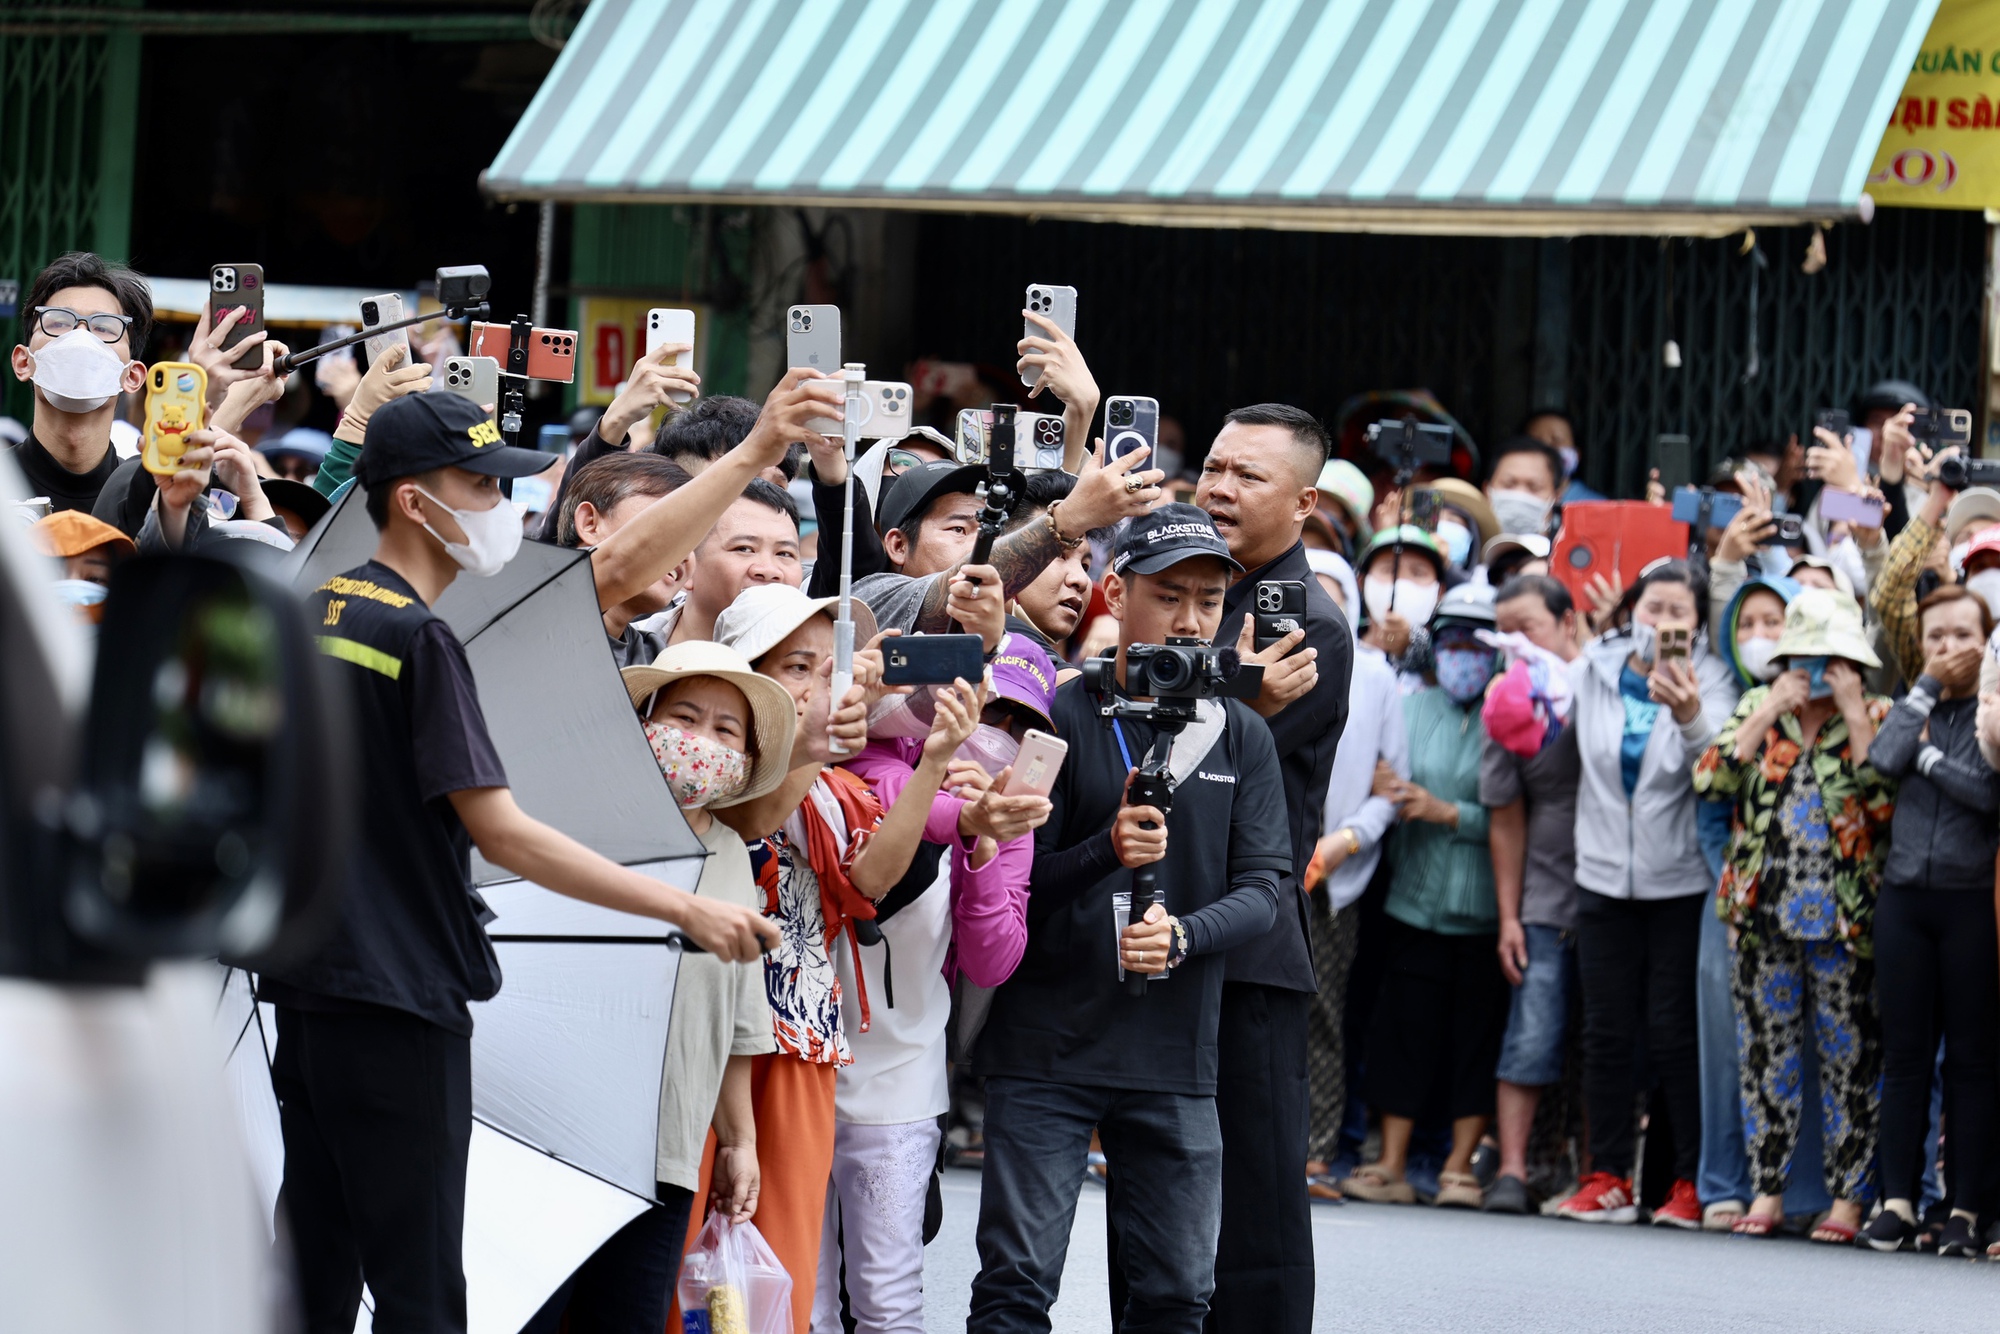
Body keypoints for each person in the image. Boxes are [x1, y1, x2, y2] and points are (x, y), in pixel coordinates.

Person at [260, 393, 777, 1334]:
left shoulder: (318, 608)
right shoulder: (418, 639)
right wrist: (685, 908)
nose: (503, 508)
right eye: (481, 487)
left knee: (315, 1270)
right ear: (414, 502)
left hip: (305, 988)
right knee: (422, 1291)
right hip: (398, 998)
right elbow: (503, 834)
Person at [967, 505, 1290, 1334]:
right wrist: (1106, 850)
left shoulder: (1242, 733)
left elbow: (1265, 888)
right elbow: (1013, 881)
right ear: (1117, 592)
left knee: (1178, 1295)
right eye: (1168, 595)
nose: (1190, 620)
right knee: (1015, 1286)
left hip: (1176, 1054)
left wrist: (1183, 936)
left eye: (1209, 600)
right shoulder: (1057, 709)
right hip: (1045, 1045)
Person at [709, 584, 969, 1334]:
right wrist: (814, 737)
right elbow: (755, 814)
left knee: (791, 1272)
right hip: (715, 1040)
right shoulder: (709, 760)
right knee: (714, 1262)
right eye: (798, 668)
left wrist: (934, 763)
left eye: (831, 668)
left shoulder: (833, 787)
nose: (820, 686)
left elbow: (869, 883)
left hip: (801, 1046)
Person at [524, 641, 799, 1334]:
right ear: (645, 721)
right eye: (684, 717)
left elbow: (735, 1019)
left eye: (726, 729)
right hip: (557, 1134)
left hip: (664, 1152)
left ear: (745, 758)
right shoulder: (587, 832)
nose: (702, 740)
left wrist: (738, 1142)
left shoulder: (733, 857)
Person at [815, 635, 1056, 1334]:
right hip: (802, 1065)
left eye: (1019, 725)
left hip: (901, 1083)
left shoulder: (1011, 820)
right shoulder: (876, 756)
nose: (995, 732)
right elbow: (881, 791)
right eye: (985, 707)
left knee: (888, 1301)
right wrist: (954, 807)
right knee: (807, 1300)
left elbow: (994, 960)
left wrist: (984, 844)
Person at [1188, 403, 1349, 1333]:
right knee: (1162, 1178)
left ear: (1303, 502)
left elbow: (1204, 764)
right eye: (1214, 467)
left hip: (1248, 941)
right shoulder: (1185, 590)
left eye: (1248, 475)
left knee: (1257, 1191)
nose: (1220, 488)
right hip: (1163, 924)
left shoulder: (1310, 626)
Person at [1694, 587, 1891, 1245]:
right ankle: (1767, 1189)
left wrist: (1855, 716)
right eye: (1806, 656)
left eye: (1831, 657)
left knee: (1851, 1060)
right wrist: (1768, 710)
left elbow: (1885, 805)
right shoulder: (1759, 705)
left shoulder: (1877, 713)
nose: (1816, 670)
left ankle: (1847, 1200)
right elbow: (1710, 781)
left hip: (1846, 919)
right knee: (1765, 1056)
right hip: (1761, 914)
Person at [1556, 558, 1734, 1228]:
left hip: (1679, 881)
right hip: (1601, 876)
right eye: (1652, 608)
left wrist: (1689, 716)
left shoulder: (1713, 677)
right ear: (1632, 610)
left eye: (1677, 612)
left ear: (1698, 623)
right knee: (1604, 1031)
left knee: (1673, 1031)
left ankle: (1689, 1180)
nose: (1661, 623)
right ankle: (1606, 1176)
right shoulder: (1595, 669)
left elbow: (1719, 767)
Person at [1339, 585, 1504, 1210]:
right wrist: (1383, 782)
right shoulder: (1411, 707)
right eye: (1453, 641)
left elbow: (1521, 814)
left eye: (1478, 644)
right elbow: (1377, 770)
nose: (1465, 656)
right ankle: (1391, 1161)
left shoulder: (1507, 714)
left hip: (1484, 910)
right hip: (1411, 899)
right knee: (1402, 1033)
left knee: (1475, 1039)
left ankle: (1460, 1166)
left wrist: (1449, 812)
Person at [1864, 584, 1999, 1256]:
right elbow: (1882, 759)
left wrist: (1926, 756)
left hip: (1969, 899)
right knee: (1906, 1055)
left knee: (1972, 1060)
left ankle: (1965, 1208)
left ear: (1987, 641)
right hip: (1904, 900)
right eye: (1935, 637)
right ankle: (1897, 1200)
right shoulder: (1910, 701)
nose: (1949, 648)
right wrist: (1922, 689)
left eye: (1962, 635)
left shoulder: (1991, 713)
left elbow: (1986, 793)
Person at [1301, 554, 1405, 1200]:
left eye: (1332, 592)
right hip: (1265, 856)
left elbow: (1392, 786)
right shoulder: (1266, 657)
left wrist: (1344, 842)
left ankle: (1314, 1151)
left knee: (1321, 1011)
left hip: (1334, 873)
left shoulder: (1376, 675)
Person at [1477, 575, 1581, 1215]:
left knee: (1607, 1036)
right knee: (1532, 1028)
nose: (1515, 643)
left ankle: (1599, 1172)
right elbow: (1505, 816)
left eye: (1528, 629)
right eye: (1504, 633)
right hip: (1545, 891)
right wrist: (1509, 916)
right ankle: (1512, 1170)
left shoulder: (1605, 681)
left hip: (1622, 888)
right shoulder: (1506, 701)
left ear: (1568, 622)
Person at [7, 252, 153, 513]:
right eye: (59, 322)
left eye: (104, 328)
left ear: (132, 376)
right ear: (23, 362)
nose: (80, 337)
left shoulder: (149, 502)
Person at [1483, 436, 1565, 540]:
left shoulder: (1570, 550)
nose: (1520, 494)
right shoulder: (1468, 547)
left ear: (1556, 497)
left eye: (1534, 487)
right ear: (1486, 491)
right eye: (1508, 484)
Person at [1522, 409, 1600, 504]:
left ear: (1577, 454)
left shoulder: (1597, 505)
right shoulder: (1510, 500)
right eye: (1536, 442)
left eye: (1557, 441)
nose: (1546, 448)